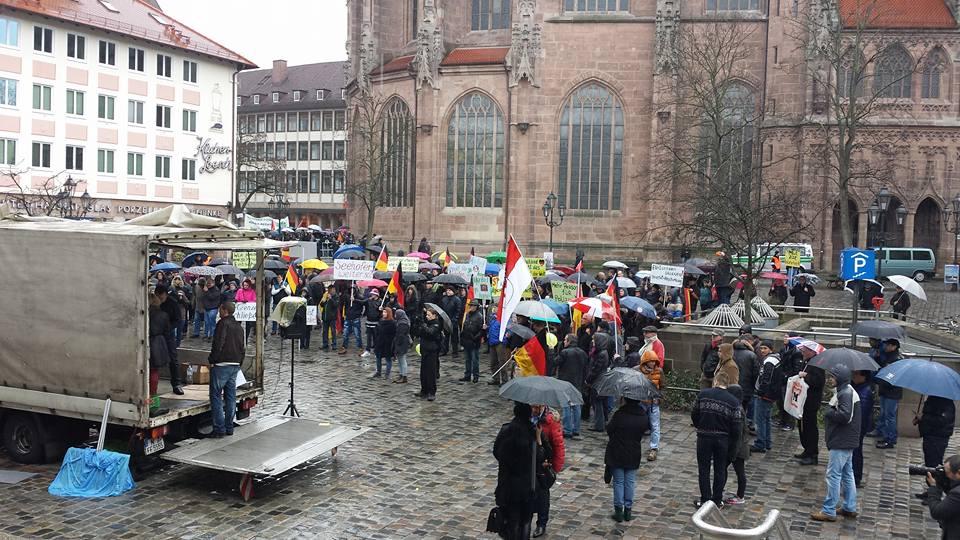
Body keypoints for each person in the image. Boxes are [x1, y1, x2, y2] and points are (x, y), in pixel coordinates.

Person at [810, 364, 861, 522]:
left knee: (833, 475)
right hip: (847, 440)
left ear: (839, 378)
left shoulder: (844, 393)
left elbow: (845, 416)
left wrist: (829, 412)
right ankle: (849, 507)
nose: (829, 379)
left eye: (832, 377)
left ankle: (829, 510)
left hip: (841, 440)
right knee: (847, 474)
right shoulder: (848, 391)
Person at [691, 373, 742, 508]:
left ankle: (705, 499)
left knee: (704, 469)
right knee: (720, 470)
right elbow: (737, 426)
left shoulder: (703, 395)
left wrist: (700, 425)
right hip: (722, 439)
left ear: (715, 381)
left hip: (704, 437)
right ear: (727, 384)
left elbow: (694, 414)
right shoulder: (733, 401)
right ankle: (717, 500)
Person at [493, 402, 537, 540]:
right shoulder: (533, 432)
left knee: (512, 520)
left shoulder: (506, 430)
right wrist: (540, 439)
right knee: (525, 520)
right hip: (527, 485)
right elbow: (540, 456)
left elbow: (496, 452)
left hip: (508, 484)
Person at [605, 396, 649, 522]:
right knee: (630, 482)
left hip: (617, 451)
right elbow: (645, 430)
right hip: (634, 452)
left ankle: (619, 511)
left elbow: (609, 429)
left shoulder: (620, 414)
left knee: (618, 482)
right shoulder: (643, 417)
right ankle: (628, 511)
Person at [207, 301, 245, 438]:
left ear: (224, 310)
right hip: (235, 364)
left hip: (222, 364)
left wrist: (212, 359)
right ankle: (229, 427)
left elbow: (218, 343)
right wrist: (240, 362)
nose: (218, 312)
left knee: (216, 396)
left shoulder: (222, 324)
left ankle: (219, 428)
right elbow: (242, 347)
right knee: (230, 397)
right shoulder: (239, 327)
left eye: (220, 310)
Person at [531, 405, 564, 538]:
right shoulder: (526, 418)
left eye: (537, 407)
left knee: (543, 496)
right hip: (528, 463)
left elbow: (558, 445)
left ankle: (541, 523)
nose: (534, 410)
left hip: (543, 464)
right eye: (532, 407)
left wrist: (555, 467)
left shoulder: (550, 422)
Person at [915, 396, 956, 502]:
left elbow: (941, 420)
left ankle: (935, 493)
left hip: (938, 437)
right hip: (930, 435)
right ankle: (930, 491)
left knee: (935, 465)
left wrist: (923, 418)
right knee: (929, 464)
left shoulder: (946, 404)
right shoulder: (933, 399)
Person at [796, 344, 825, 465]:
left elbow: (818, 382)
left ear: (812, 352)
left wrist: (806, 376)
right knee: (803, 427)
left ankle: (812, 453)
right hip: (803, 400)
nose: (802, 352)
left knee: (810, 428)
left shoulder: (817, 364)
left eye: (805, 350)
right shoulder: (807, 361)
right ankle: (807, 449)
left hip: (811, 401)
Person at [751, 340, 781, 453]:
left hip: (765, 395)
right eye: (761, 348)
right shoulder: (776, 359)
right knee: (766, 419)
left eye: (765, 348)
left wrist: (761, 392)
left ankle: (760, 443)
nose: (762, 350)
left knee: (760, 420)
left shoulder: (769, 361)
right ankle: (767, 442)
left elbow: (766, 379)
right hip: (772, 394)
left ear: (771, 349)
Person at [556, 334, 589, 439]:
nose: (564, 341)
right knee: (576, 406)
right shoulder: (583, 353)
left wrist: (552, 351)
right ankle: (576, 429)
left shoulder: (565, 352)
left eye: (565, 340)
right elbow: (586, 368)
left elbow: (555, 362)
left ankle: (567, 429)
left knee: (566, 406)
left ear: (569, 341)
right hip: (578, 382)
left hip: (565, 382)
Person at [724, 384, 750, 505]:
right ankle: (721, 489)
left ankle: (740, 496)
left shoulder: (738, 410)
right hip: (737, 446)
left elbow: (738, 433)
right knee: (724, 468)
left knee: (740, 472)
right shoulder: (737, 408)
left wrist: (733, 451)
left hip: (739, 448)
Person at [155, 287, 184, 394]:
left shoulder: (172, 303)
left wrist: (169, 328)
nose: (159, 298)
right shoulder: (155, 303)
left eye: (161, 295)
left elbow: (178, 320)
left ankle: (176, 383)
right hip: (156, 334)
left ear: (165, 294)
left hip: (168, 334)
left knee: (173, 359)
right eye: (157, 295)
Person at [875, 339, 903, 449]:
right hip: (886, 390)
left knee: (889, 416)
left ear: (894, 346)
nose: (885, 347)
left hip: (892, 392)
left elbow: (892, 377)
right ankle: (884, 434)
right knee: (885, 414)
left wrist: (880, 381)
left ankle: (890, 439)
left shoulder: (895, 359)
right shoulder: (888, 356)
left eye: (888, 345)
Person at [413, 305, 444, 401]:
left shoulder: (436, 325)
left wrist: (423, 324)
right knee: (423, 372)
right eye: (427, 315)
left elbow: (430, 333)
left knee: (431, 373)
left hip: (432, 351)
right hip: (424, 350)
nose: (427, 316)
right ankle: (424, 390)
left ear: (434, 315)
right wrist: (418, 323)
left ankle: (431, 392)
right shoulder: (428, 323)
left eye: (429, 315)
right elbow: (419, 333)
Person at [925, 454, 960, 539]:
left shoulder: (957, 494)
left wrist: (934, 488)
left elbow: (937, 512)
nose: (946, 475)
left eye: (947, 472)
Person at [638, 349, 663, 461]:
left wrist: (660, 397)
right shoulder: (638, 371)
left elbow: (663, 386)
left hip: (654, 403)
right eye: (651, 361)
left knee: (655, 425)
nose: (653, 363)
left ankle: (654, 448)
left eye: (654, 361)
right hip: (641, 402)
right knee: (639, 425)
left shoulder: (659, 372)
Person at [587, 332, 613, 432]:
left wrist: (588, 379)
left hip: (598, 382)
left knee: (597, 403)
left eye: (594, 340)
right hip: (599, 381)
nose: (592, 341)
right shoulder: (600, 352)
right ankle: (600, 423)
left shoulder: (602, 354)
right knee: (598, 403)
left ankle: (599, 425)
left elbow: (596, 369)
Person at [851, 370, 873, 488]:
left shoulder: (865, 392)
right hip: (855, 425)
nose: (854, 375)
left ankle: (856, 476)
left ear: (863, 376)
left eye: (857, 374)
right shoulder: (855, 387)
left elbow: (862, 413)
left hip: (858, 426)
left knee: (856, 450)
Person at [148, 292, 171, 397]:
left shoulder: (145, 315)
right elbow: (168, 331)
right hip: (159, 344)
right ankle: (153, 397)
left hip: (148, 342)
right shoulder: (163, 315)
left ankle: (149, 397)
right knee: (154, 371)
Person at [777, 334, 803, 431]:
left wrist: (787, 376)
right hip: (782, 379)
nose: (784, 338)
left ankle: (790, 423)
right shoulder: (784, 349)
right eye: (784, 336)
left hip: (790, 380)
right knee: (781, 401)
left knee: (789, 401)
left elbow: (796, 368)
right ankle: (782, 420)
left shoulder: (796, 352)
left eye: (787, 337)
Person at [732, 337, 758, 431]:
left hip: (732, 386)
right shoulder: (751, 355)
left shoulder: (731, 353)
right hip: (747, 387)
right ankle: (743, 427)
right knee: (744, 407)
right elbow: (756, 373)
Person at [460, 300, 485, 383]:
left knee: (475, 359)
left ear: (476, 307)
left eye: (473, 306)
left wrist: (475, 338)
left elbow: (481, 330)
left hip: (474, 341)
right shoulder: (467, 315)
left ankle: (475, 376)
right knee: (467, 359)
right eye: (470, 305)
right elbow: (465, 326)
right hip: (467, 340)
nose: (471, 307)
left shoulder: (479, 316)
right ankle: (467, 375)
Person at [372, 307, 396, 378]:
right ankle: (378, 372)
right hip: (379, 342)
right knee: (378, 357)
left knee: (388, 359)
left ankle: (387, 374)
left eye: (385, 312)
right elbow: (377, 332)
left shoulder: (392, 322)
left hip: (388, 343)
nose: (384, 314)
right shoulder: (381, 321)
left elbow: (393, 334)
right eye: (383, 312)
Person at [439, 288, 463, 357]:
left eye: (450, 290)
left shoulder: (457, 299)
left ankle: (455, 351)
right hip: (445, 320)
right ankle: (445, 350)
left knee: (454, 337)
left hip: (453, 321)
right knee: (446, 337)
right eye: (447, 290)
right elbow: (442, 309)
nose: (448, 291)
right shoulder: (444, 299)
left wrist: (454, 319)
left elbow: (458, 311)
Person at [340, 289, 365, 355]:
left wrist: (355, 300)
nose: (352, 291)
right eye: (350, 289)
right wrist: (345, 314)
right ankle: (344, 347)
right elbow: (343, 305)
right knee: (345, 334)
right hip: (348, 317)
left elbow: (363, 303)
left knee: (357, 334)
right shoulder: (347, 297)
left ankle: (360, 348)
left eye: (353, 289)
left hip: (355, 317)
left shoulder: (359, 297)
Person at [488, 317, 511, 385]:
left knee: (502, 362)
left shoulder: (505, 317)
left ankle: (505, 380)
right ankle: (496, 378)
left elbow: (510, 327)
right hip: (492, 342)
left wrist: (508, 334)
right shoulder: (493, 318)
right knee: (493, 362)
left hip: (500, 342)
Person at [392, 309, 412, 384]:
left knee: (402, 360)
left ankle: (404, 376)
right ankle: (401, 374)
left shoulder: (403, 323)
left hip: (402, 343)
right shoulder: (402, 321)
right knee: (400, 360)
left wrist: (397, 343)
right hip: (401, 342)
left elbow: (401, 335)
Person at [363, 289, 382, 358]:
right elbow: (362, 302)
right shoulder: (369, 300)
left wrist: (380, 310)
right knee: (368, 337)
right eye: (371, 294)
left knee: (376, 338)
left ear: (376, 295)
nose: (372, 295)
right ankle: (367, 351)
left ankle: (376, 351)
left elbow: (381, 312)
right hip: (369, 321)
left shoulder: (380, 302)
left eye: (373, 294)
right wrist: (354, 300)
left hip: (376, 322)